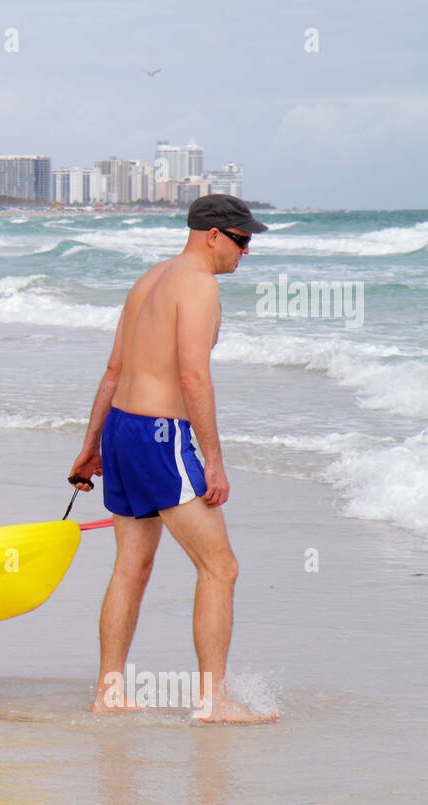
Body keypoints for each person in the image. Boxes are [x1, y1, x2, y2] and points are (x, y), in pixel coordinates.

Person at [68, 194, 275, 723]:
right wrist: (213, 461)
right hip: (163, 438)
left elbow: (114, 371)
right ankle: (214, 701)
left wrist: (91, 445)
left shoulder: (150, 279)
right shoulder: (199, 286)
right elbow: (191, 376)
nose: (245, 252)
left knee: (131, 565)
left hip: (121, 428)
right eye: (242, 240)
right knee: (220, 567)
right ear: (213, 235)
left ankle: (108, 691)